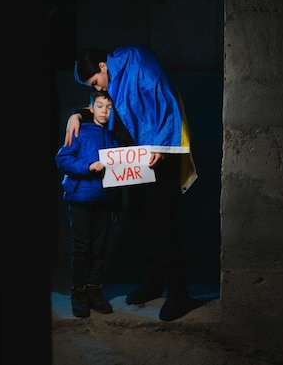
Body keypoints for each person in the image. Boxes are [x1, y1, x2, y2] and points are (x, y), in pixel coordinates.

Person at [65, 44, 198, 321]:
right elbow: (102, 108)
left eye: (95, 82)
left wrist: (161, 145)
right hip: (134, 158)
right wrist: (76, 114)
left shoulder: (137, 62)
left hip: (159, 154)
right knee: (138, 219)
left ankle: (178, 293)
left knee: (160, 222)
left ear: (103, 66)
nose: (98, 89)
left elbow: (164, 97)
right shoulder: (112, 81)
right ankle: (152, 283)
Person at [55, 90, 122, 318]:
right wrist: (88, 167)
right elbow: (62, 159)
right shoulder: (79, 130)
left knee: (100, 248)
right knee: (82, 248)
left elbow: (121, 171)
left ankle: (95, 291)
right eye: (100, 106)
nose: (105, 111)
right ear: (91, 108)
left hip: (105, 201)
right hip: (81, 198)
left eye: (109, 107)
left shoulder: (113, 135)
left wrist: (117, 203)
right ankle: (79, 293)